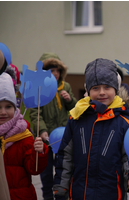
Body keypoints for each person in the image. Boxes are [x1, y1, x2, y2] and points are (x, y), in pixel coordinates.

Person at [53, 58, 129, 200]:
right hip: (80, 193)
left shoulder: (124, 122)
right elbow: (65, 156)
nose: (101, 92)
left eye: (107, 87)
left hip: (112, 193)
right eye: (95, 88)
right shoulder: (76, 117)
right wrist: (61, 188)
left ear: (115, 90)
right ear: (88, 90)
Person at [28, 52, 77, 200]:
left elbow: (75, 109)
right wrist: (42, 131)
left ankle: (62, 196)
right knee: (47, 173)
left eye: (57, 70)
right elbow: (35, 113)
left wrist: (69, 100)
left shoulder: (65, 86)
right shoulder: (38, 88)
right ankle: (48, 197)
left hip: (63, 136)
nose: (55, 74)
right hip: (46, 137)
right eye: (51, 70)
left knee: (64, 170)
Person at [0, 72, 49, 200]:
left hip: (19, 196)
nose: (3, 112)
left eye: (8, 106)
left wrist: (38, 152)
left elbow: (34, 169)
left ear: (16, 108)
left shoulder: (23, 136)